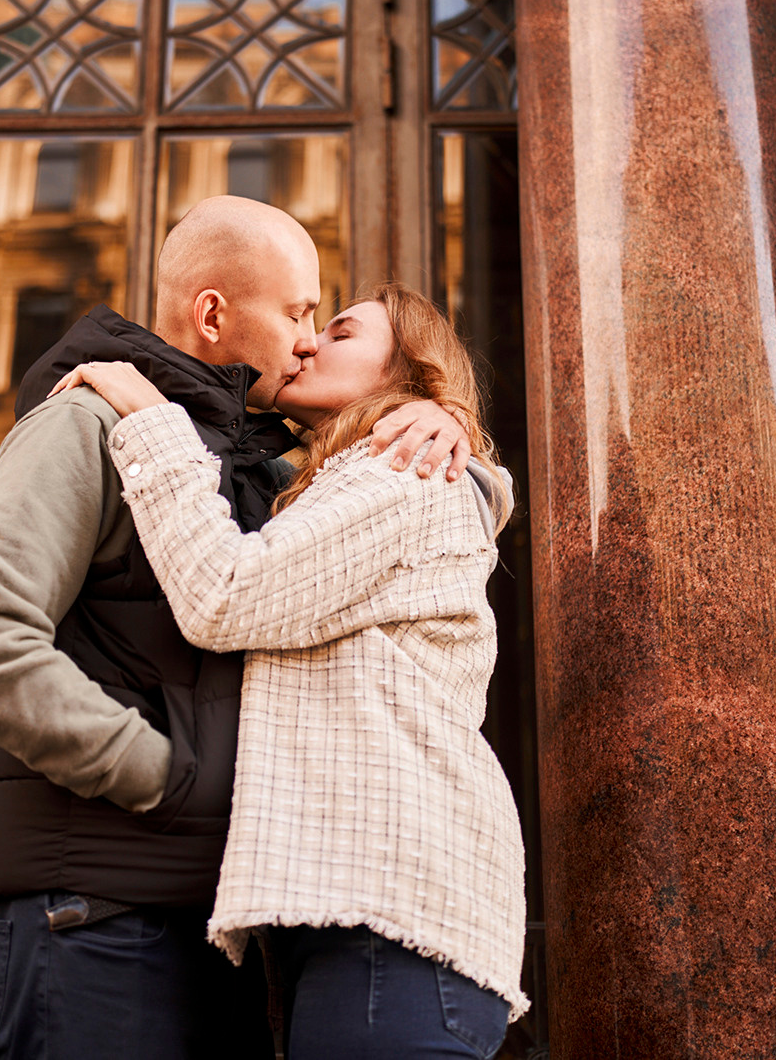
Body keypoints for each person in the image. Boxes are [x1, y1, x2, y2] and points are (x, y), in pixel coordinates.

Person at [0, 197, 473, 1060]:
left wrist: (435, 416)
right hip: (91, 917)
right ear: (215, 312)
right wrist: (171, 780)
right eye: (298, 313)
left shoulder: (269, 472)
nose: (306, 340)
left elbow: (406, 534)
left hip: (221, 930)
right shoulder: (90, 422)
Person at [52, 282, 529, 1060]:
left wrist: (150, 417)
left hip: (392, 913)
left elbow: (225, 596)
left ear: (407, 376)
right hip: (367, 912)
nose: (306, 343)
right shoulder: (362, 471)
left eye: (339, 333)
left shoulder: (405, 474)